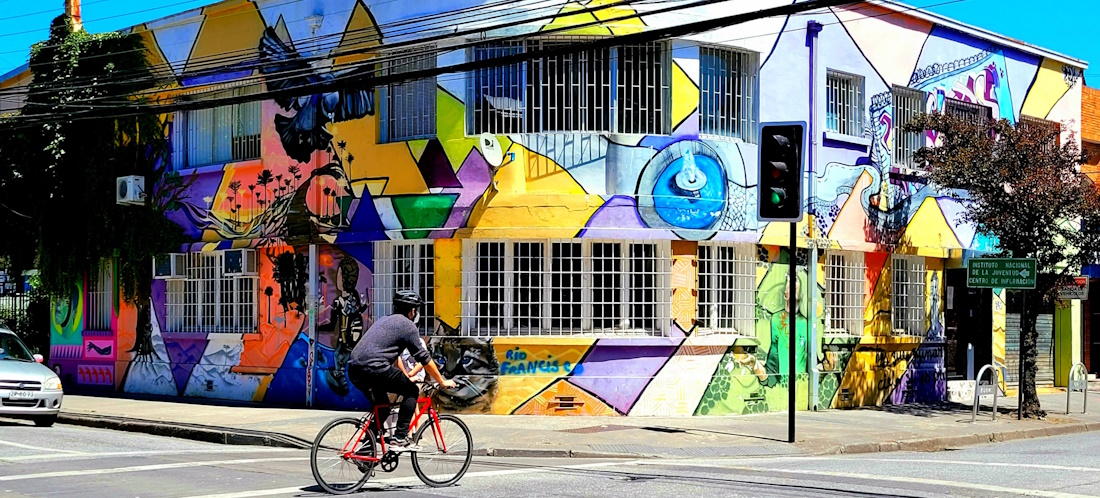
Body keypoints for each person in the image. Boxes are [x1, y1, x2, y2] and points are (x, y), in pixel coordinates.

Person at [349, 290, 455, 451]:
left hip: (354, 368)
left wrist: (405, 376)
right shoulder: (408, 326)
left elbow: (392, 355)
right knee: (411, 390)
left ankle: (366, 447)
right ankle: (400, 438)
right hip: (375, 368)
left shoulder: (384, 320)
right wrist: (441, 381)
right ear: (412, 311)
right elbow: (424, 357)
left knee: (383, 406)